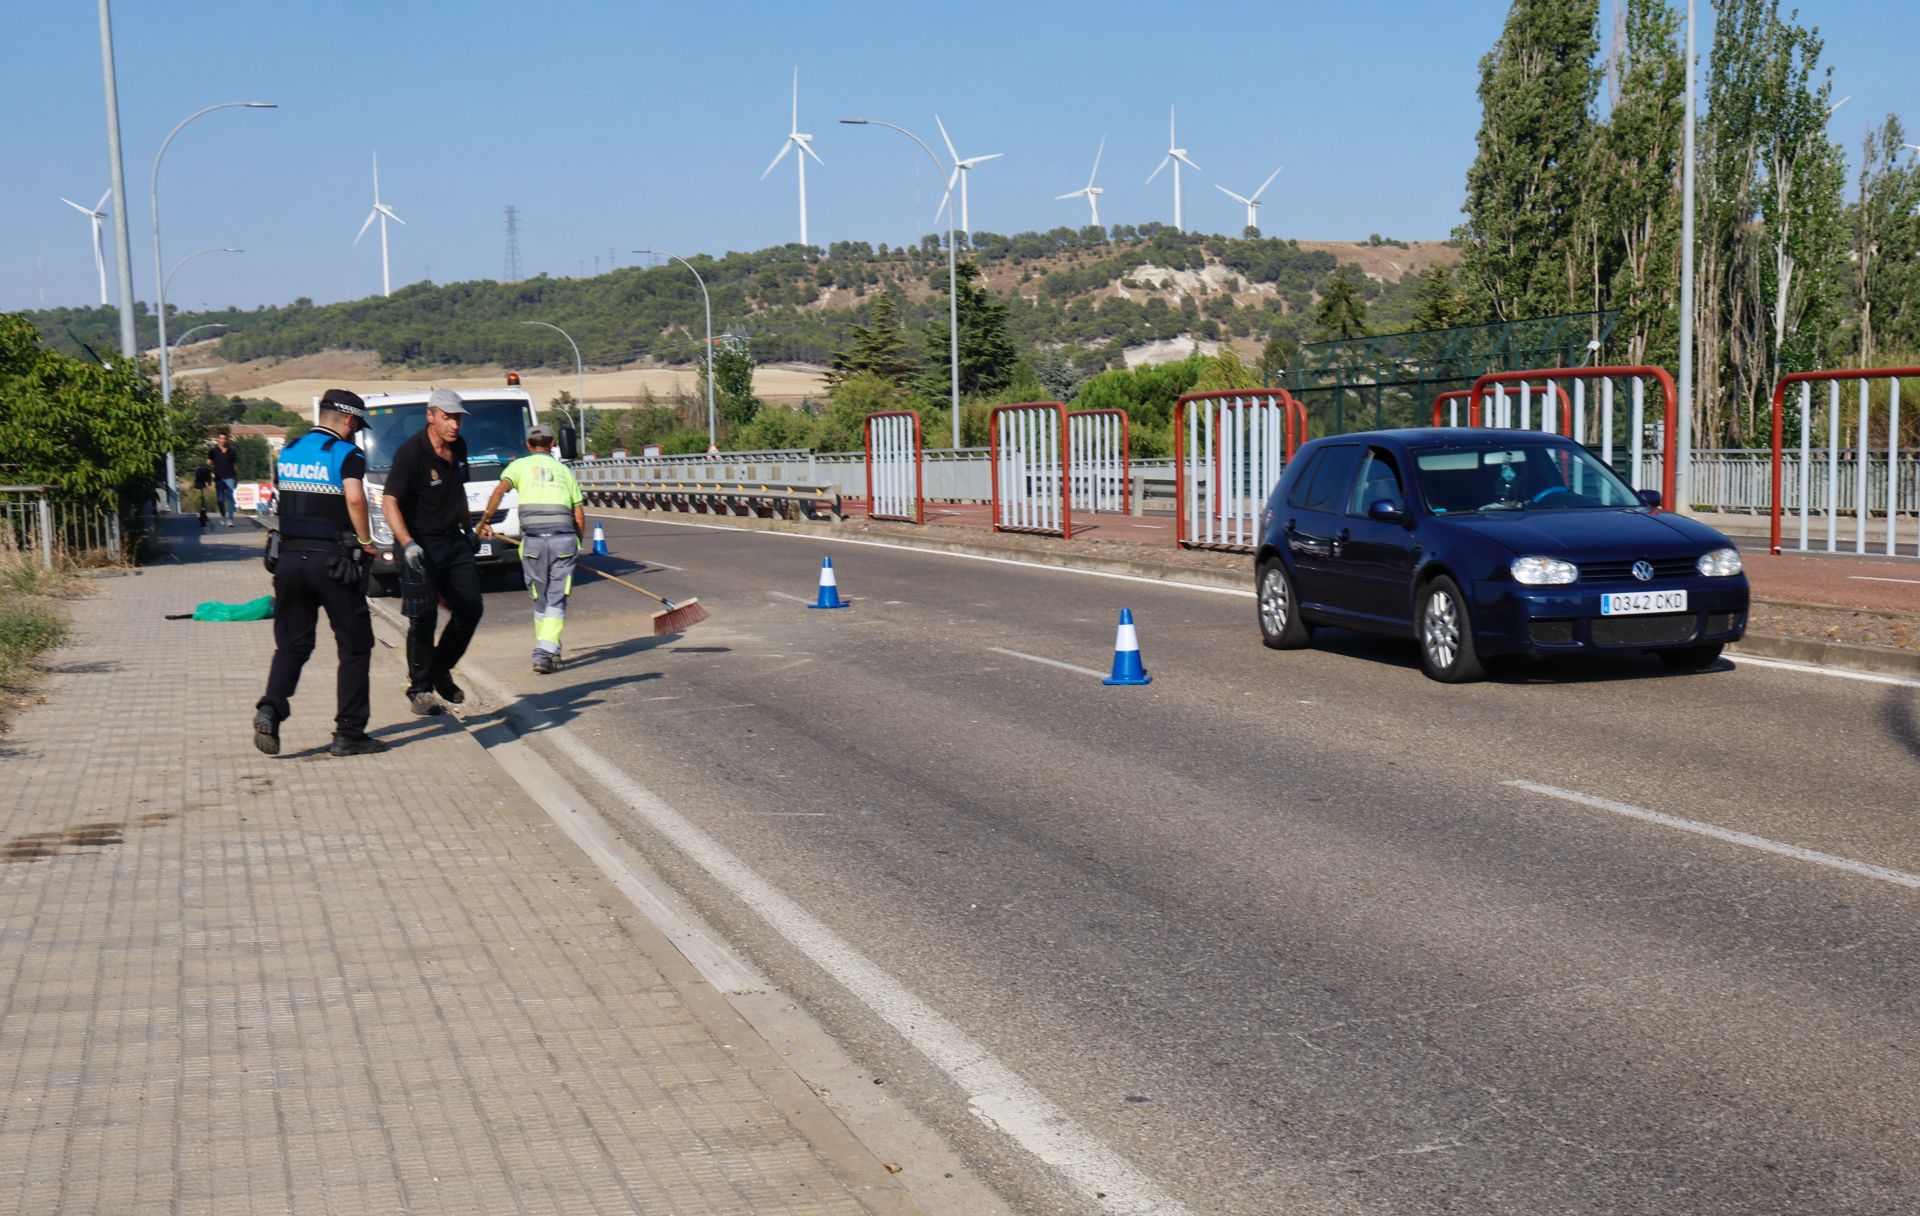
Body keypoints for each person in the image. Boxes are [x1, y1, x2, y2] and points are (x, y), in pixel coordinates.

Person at [253, 389, 387, 757]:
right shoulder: (347, 454)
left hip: (289, 560)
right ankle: (349, 733)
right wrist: (365, 540)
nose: (357, 432)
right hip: (333, 563)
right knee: (356, 645)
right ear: (347, 419)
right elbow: (355, 498)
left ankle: (271, 708)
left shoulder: (290, 451)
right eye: (357, 424)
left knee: (292, 644)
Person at [381, 388, 484, 715]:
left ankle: (440, 669)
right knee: (423, 616)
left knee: (471, 608)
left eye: (457, 418)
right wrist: (406, 543)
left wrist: (469, 529)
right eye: (447, 417)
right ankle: (420, 688)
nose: (454, 425)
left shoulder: (459, 447)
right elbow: (389, 501)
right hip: (418, 542)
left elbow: (460, 492)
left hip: (452, 539)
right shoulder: (411, 453)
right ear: (431, 416)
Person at [478, 424, 585, 674]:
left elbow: (498, 491)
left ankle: (546, 651)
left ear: (527, 444)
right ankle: (546, 651)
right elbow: (578, 514)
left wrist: (485, 521)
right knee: (556, 598)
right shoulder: (564, 471)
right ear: (553, 443)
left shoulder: (518, 466)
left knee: (541, 597)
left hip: (533, 543)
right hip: (563, 541)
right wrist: (576, 545)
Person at [208, 432, 240, 527]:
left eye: (224, 438)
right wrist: (208, 473)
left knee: (230, 498)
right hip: (219, 478)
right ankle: (223, 516)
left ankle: (230, 520)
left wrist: (236, 477)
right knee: (220, 499)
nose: (223, 440)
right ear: (218, 439)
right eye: (221, 438)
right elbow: (208, 463)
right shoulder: (213, 451)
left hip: (230, 477)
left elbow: (234, 465)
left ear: (227, 440)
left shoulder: (232, 451)